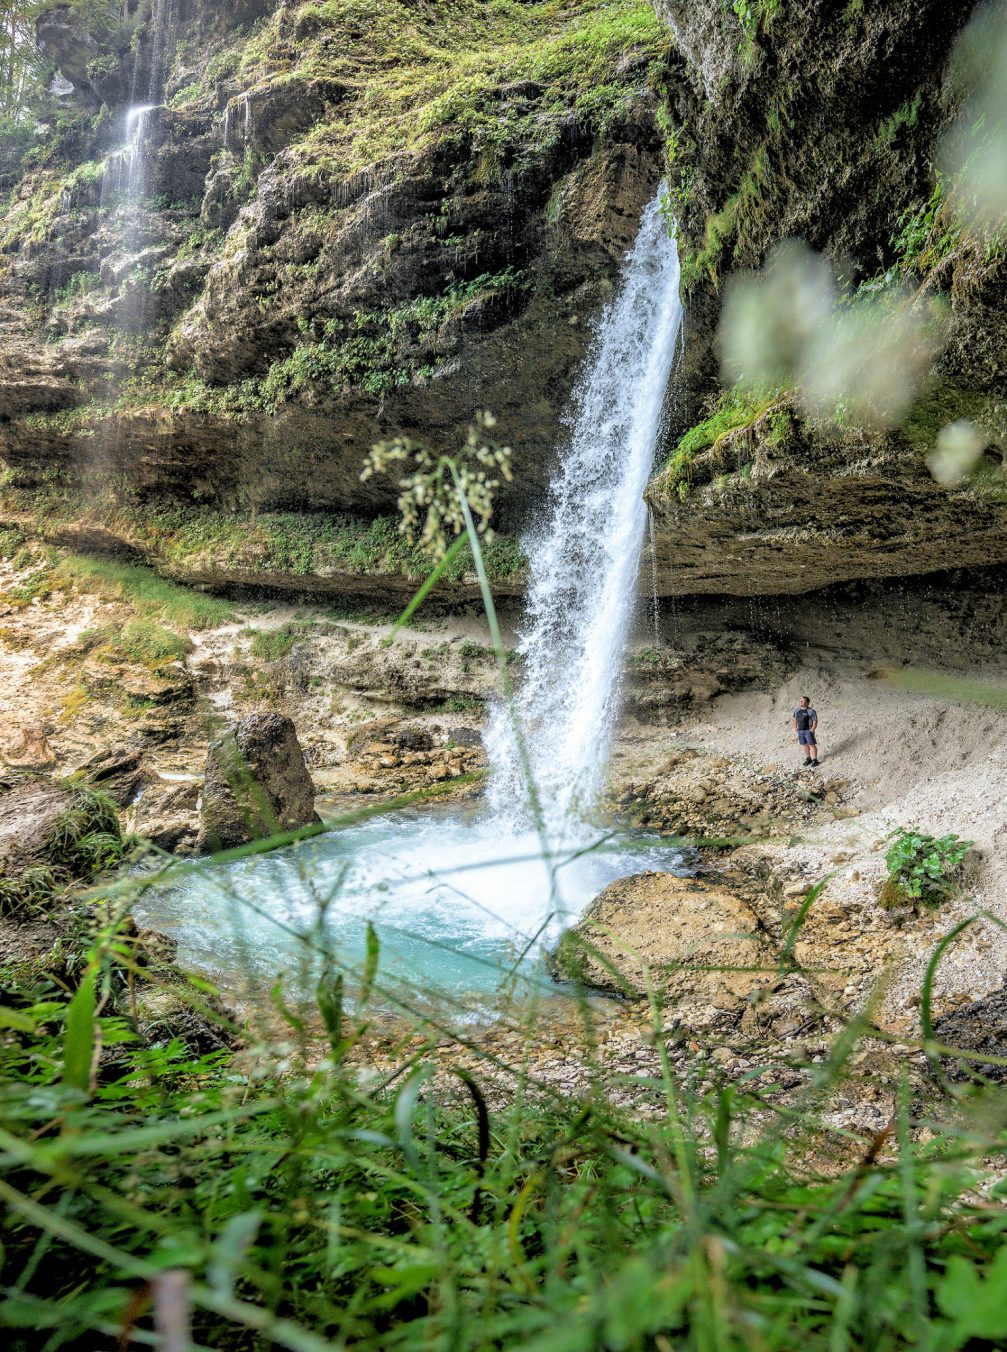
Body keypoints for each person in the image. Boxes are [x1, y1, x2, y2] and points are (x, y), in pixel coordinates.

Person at [793, 695, 820, 768]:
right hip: (800, 731)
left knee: (811, 745)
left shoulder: (811, 711)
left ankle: (815, 760)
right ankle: (808, 759)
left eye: (802, 700)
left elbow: (815, 720)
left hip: (808, 730)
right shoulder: (797, 710)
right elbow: (795, 719)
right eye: (800, 700)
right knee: (804, 744)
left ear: (807, 702)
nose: (800, 701)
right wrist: (795, 727)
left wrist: (813, 729)